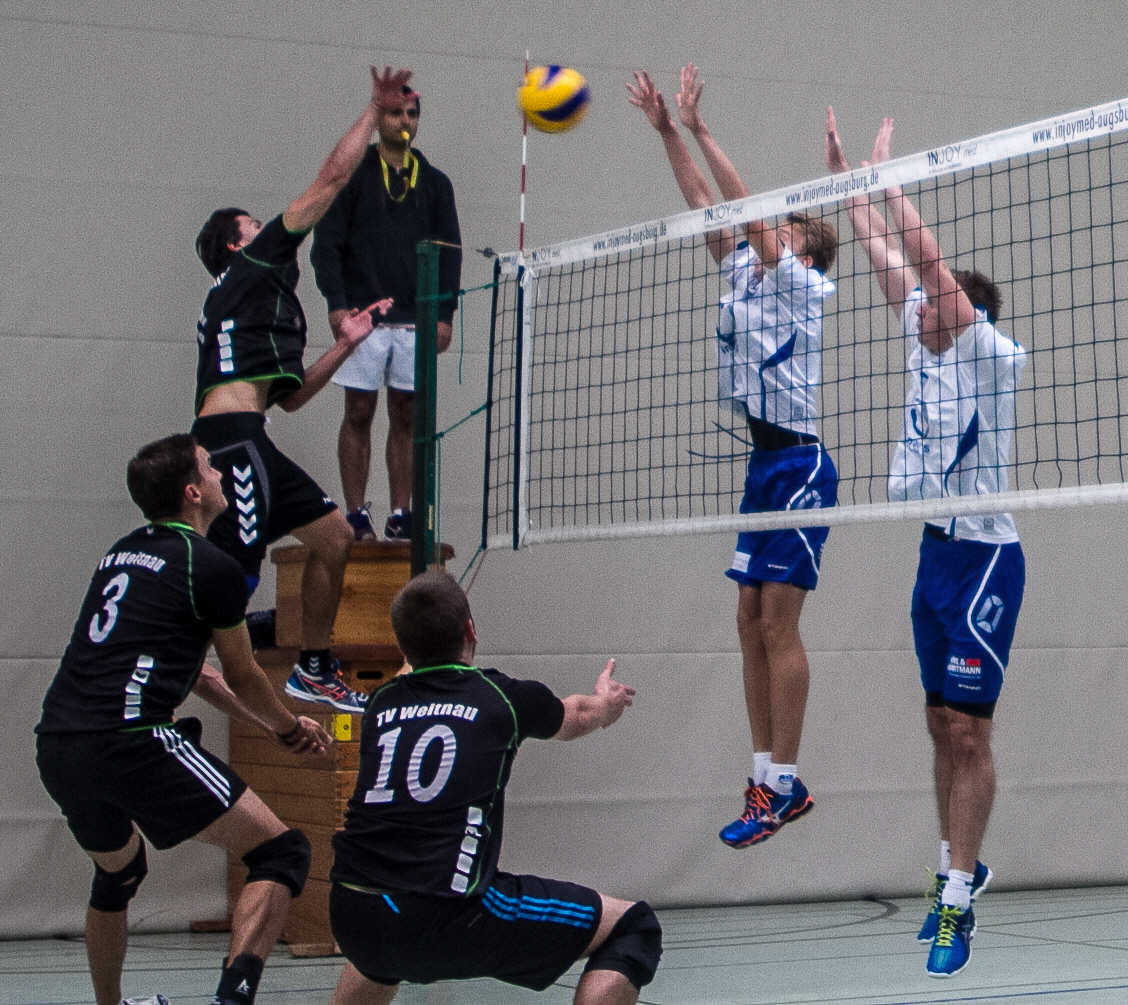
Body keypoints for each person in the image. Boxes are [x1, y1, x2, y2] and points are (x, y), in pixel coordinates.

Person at [826, 111, 1026, 977]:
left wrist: (891, 182)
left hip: (986, 559)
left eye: (933, 304)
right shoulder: (927, 347)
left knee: (971, 733)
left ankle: (956, 898)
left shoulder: (988, 355)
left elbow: (925, 259)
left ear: (961, 315)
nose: (917, 310)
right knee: (940, 721)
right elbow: (885, 254)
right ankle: (957, 865)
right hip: (935, 554)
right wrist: (851, 185)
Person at [35, 434, 332, 1005]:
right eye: (210, 467)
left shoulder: (120, 553)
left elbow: (203, 678)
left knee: (118, 874)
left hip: (60, 745)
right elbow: (244, 673)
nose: (220, 473)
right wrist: (289, 726)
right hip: (133, 741)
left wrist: (269, 728)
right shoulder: (211, 566)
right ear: (193, 493)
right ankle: (232, 999)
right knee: (282, 852)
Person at [628, 65, 839, 849]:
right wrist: (667, 132)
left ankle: (785, 779)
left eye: (784, 230)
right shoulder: (746, 276)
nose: (769, 232)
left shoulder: (801, 286)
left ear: (802, 251)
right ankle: (763, 779)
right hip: (763, 466)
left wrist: (703, 126)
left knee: (778, 623)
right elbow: (704, 204)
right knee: (747, 619)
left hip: (801, 466)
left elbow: (746, 212)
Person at [324, 571, 660, 1005]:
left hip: (351, 913)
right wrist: (607, 704)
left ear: (402, 647)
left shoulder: (380, 705)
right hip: (447, 915)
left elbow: (411, 666)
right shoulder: (502, 698)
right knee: (634, 926)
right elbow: (577, 715)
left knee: (381, 955)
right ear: (470, 630)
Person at [192, 66, 416, 713]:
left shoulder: (261, 307)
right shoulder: (250, 269)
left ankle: (314, 667)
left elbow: (289, 399)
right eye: (255, 225)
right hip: (230, 443)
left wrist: (347, 344)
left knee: (336, 537)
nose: (268, 228)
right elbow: (331, 180)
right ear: (237, 244)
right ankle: (180, 666)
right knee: (230, 578)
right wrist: (373, 111)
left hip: (250, 434)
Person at [310, 80, 462, 543]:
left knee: (407, 414)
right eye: (397, 113)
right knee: (359, 410)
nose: (405, 122)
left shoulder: (435, 183)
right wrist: (337, 305)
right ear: (379, 119)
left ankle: (401, 513)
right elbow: (326, 245)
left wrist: (444, 314)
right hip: (364, 319)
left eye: (412, 114)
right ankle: (356, 514)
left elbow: (450, 253)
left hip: (416, 320)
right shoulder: (354, 176)